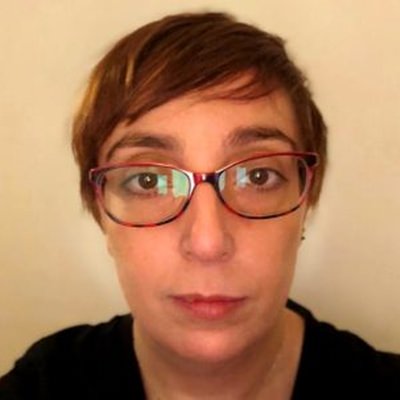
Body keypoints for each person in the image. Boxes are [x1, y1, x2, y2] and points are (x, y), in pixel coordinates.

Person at [0, 11, 399, 400]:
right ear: (101, 211)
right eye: (149, 180)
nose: (208, 243)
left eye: (257, 176)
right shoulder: (42, 387)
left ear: (305, 201)